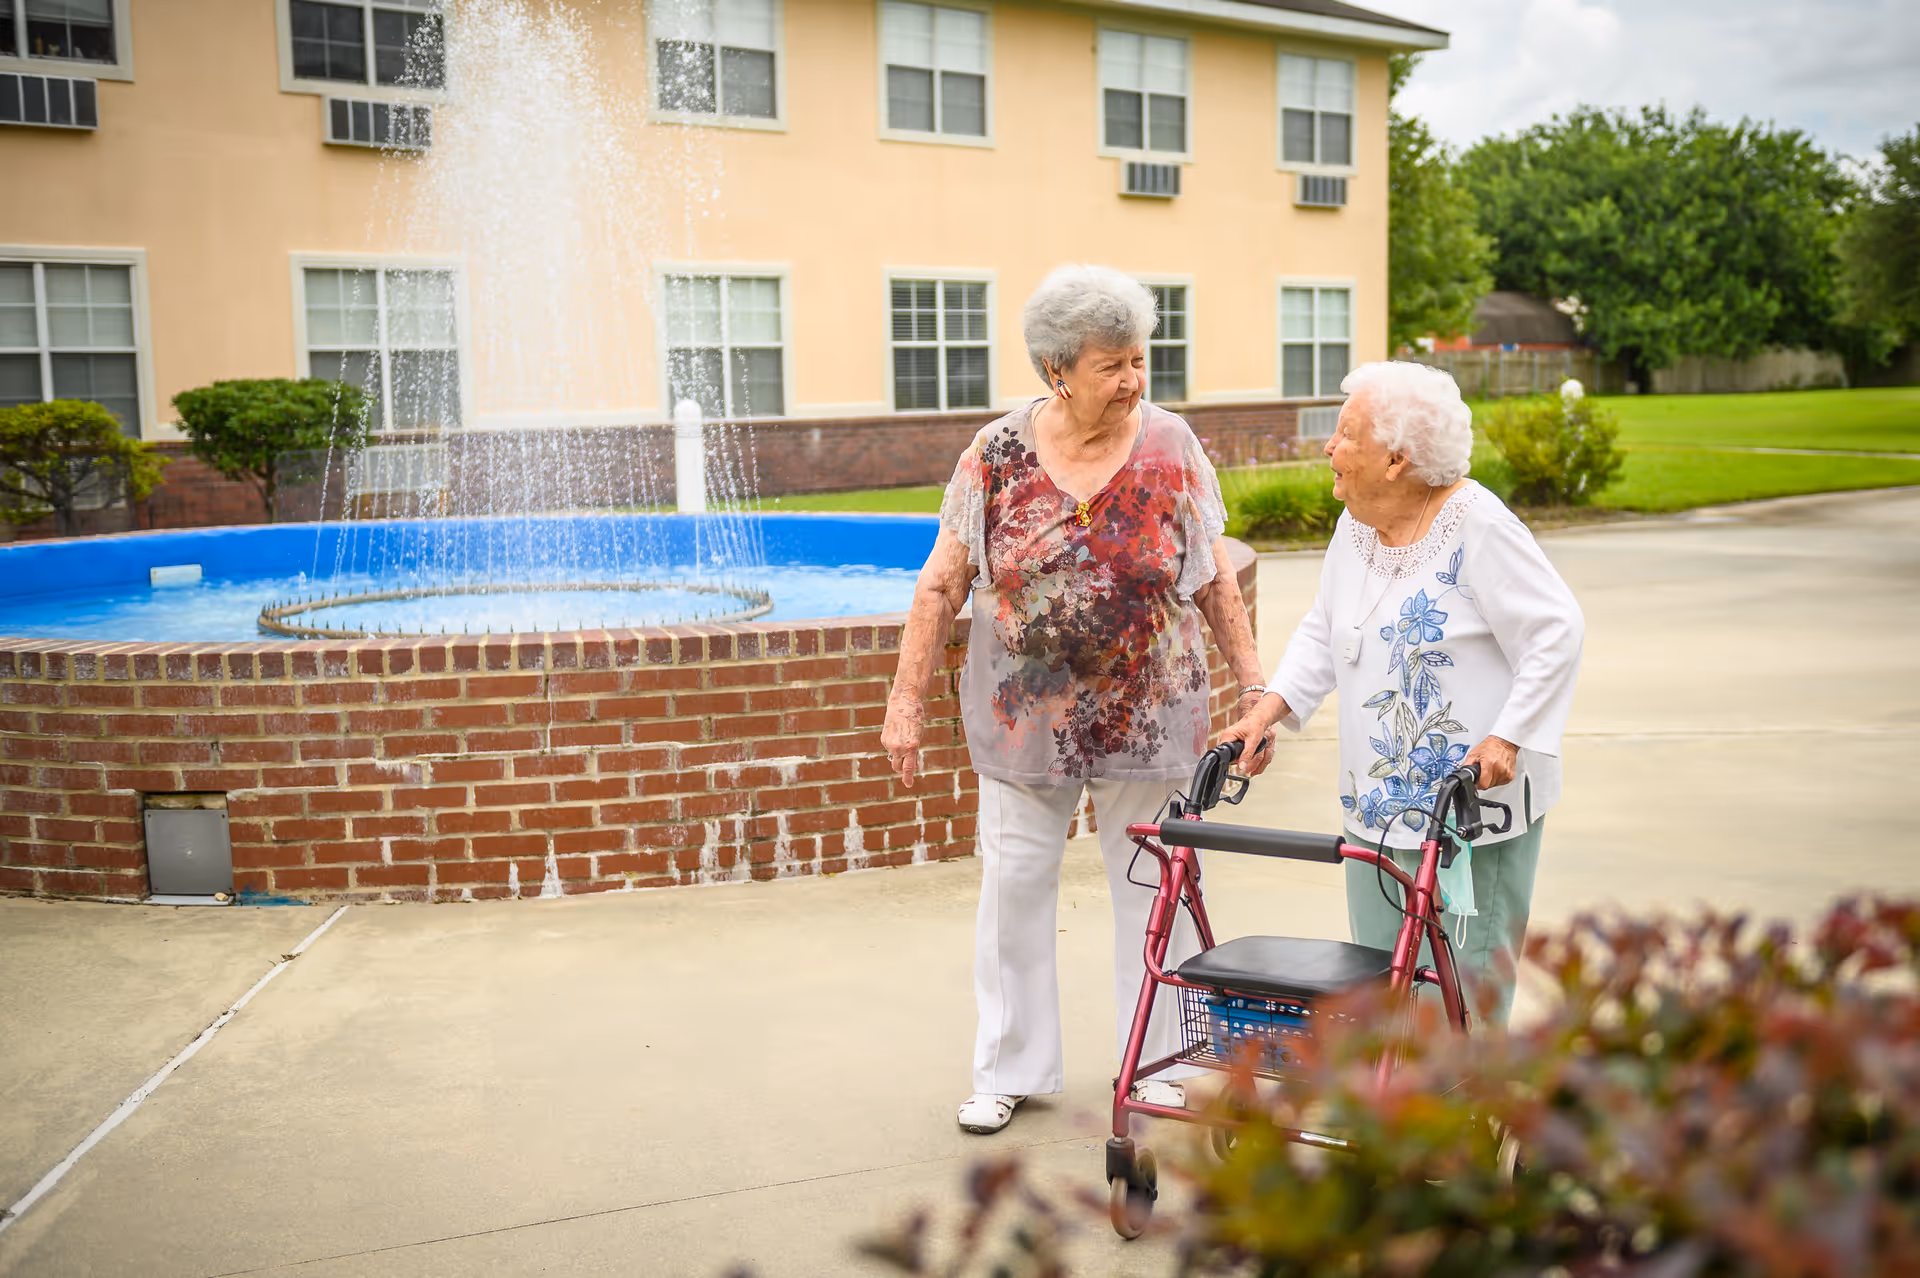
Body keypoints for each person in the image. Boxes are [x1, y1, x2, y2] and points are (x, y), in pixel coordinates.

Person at [881, 265, 1268, 1134]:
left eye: (1141, 360)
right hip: (1025, 721)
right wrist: (904, 702)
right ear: (1058, 369)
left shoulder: (1172, 446)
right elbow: (941, 586)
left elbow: (1211, 582)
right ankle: (1008, 1068)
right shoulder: (996, 453)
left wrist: (1255, 692)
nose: (1134, 380)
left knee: (1155, 888)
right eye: (1113, 365)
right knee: (1015, 887)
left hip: (1152, 711)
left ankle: (1162, 1061)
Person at [1221, 361, 1584, 1027]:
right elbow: (1323, 631)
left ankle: (1471, 1125)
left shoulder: (1479, 527)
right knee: (1382, 993)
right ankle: (1400, 1123)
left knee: (1461, 1000)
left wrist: (1508, 738)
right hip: (1377, 812)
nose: (1328, 447)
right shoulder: (1356, 527)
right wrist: (1267, 710)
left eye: (1344, 434)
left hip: (1473, 815)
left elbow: (1556, 632)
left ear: (1396, 458)